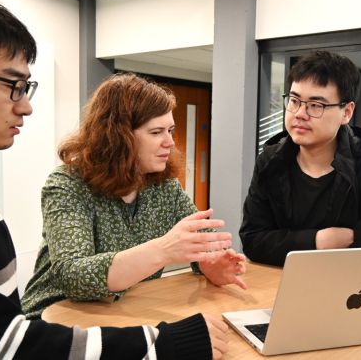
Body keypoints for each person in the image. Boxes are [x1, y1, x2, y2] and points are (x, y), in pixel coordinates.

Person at [0, 0, 228, 359]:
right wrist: (162, 342)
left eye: (26, 88)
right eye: (12, 85)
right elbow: (1, 346)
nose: (25, 106)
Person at [21, 73, 247, 318]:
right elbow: (73, 276)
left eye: (170, 130)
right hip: (55, 319)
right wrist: (162, 250)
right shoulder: (67, 185)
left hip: (125, 314)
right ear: (118, 136)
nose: (170, 142)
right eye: (156, 132)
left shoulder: (164, 186)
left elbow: (199, 241)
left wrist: (210, 263)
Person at [239, 50, 361, 266]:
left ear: (347, 112)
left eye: (316, 105)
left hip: (347, 289)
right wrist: (318, 240)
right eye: (294, 101)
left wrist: (284, 243)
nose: (299, 113)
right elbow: (252, 240)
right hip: (276, 284)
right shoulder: (270, 160)